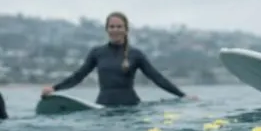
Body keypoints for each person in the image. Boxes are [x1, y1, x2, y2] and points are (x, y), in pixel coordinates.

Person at [40, 11, 197, 106]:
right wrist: (55, 88)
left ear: (126, 30)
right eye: (112, 27)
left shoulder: (136, 54)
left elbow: (157, 78)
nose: (115, 30)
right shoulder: (97, 53)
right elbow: (78, 76)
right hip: (103, 107)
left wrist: (182, 95)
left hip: (130, 108)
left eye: (119, 26)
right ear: (107, 29)